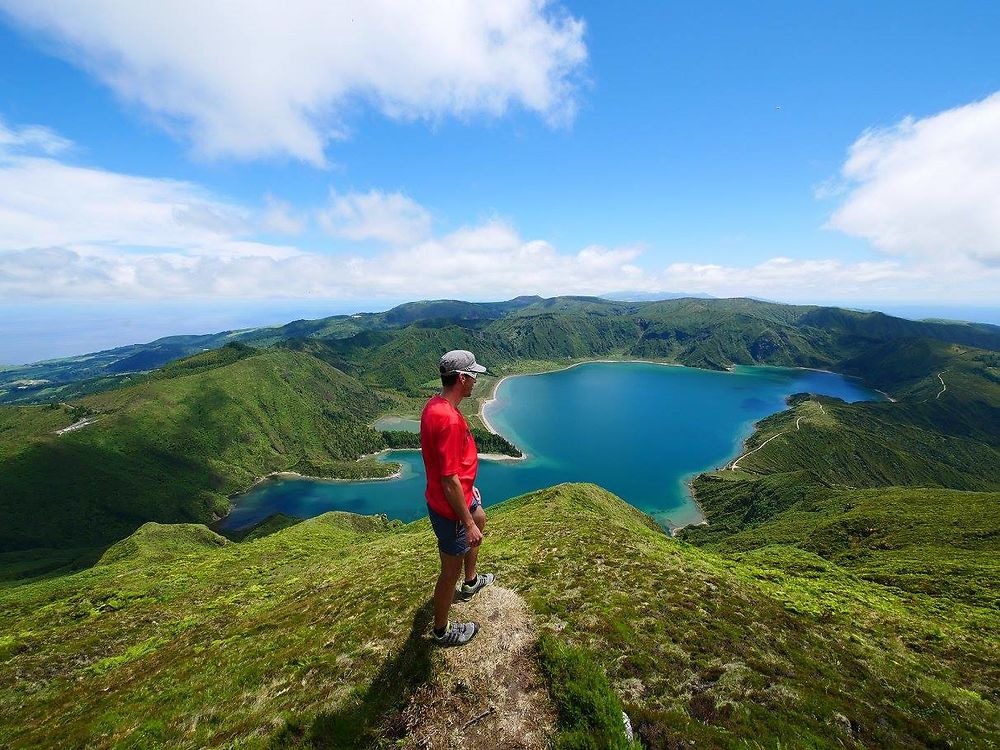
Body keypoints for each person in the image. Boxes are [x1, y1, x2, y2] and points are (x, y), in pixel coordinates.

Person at [420, 349, 496, 646]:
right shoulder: (449, 420)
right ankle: (441, 631)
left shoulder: (435, 406)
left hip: (459, 495)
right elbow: (448, 478)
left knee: (481, 516)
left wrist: (469, 488)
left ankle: (472, 581)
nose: (476, 381)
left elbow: (449, 467)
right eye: (473, 376)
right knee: (448, 571)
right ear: (462, 378)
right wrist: (466, 522)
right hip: (450, 508)